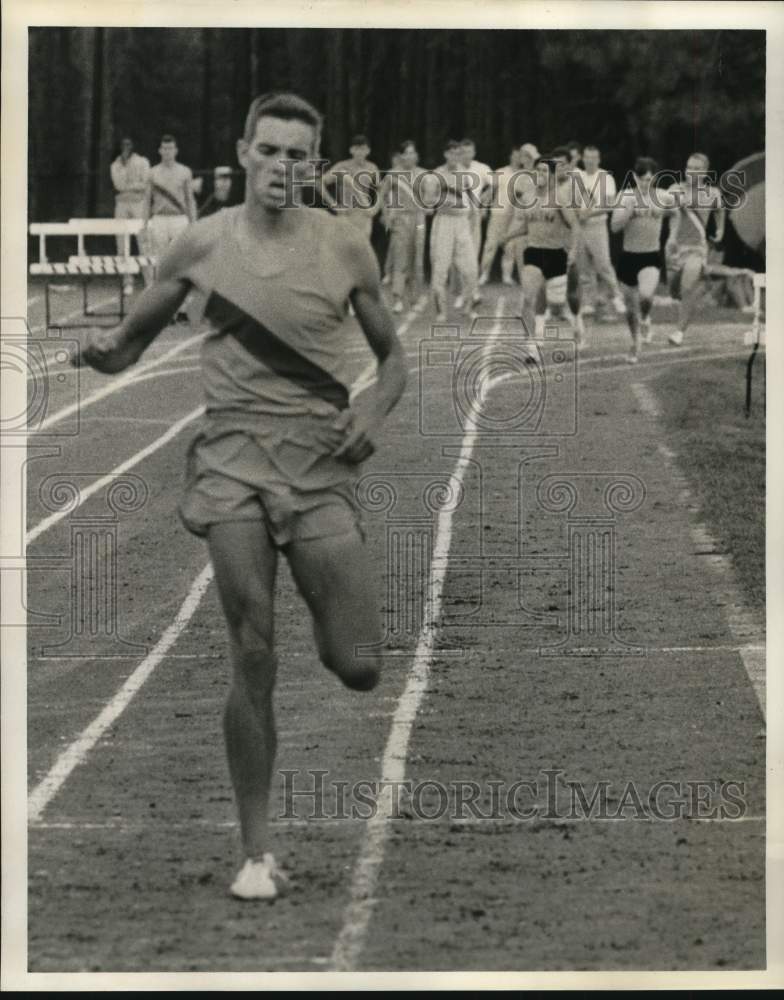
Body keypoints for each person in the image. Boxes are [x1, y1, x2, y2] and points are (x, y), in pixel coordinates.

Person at [73, 92, 407, 901]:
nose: (282, 166)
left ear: (314, 163)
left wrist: (370, 406)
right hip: (229, 470)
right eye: (270, 150)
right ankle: (255, 852)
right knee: (251, 648)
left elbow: (394, 360)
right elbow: (129, 344)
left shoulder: (345, 248)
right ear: (244, 152)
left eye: (299, 154)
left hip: (318, 468)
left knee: (357, 664)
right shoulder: (199, 245)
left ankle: (341, 649)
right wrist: (100, 354)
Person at [500, 151, 582, 340]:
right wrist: (507, 237)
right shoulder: (528, 198)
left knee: (555, 305)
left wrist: (574, 251)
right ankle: (531, 347)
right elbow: (525, 227)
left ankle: (570, 318)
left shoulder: (560, 197)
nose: (540, 175)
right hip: (534, 251)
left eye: (544, 172)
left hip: (556, 254)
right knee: (528, 299)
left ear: (552, 176)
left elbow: (575, 226)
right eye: (538, 171)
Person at [611, 157, 679, 362]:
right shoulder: (624, 197)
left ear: (655, 179)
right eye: (641, 179)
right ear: (634, 177)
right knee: (631, 309)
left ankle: (646, 317)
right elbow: (614, 227)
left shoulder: (663, 196)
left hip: (650, 255)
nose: (645, 183)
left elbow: (676, 213)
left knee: (646, 296)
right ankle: (635, 342)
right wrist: (628, 212)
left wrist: (672, 237)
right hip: (628, 257)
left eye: (649, 179)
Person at [665, 152, 725, 345]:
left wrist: (721, 229)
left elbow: (720, 209)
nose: (692, 172)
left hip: (697, 249)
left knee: (688, 286)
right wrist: (676, 204)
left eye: (697, 169)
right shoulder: (675, 189)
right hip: (675, 249)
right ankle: (688, 296)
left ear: (705, 172)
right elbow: (666, 212)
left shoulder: (712, 193)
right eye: (689, 167)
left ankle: (679, 332)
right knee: (674, 289)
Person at [423, 139, 481, 321]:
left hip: (462, 223)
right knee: (440, 269)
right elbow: (427, 204)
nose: (456, 157)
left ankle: (468, 307)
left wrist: (471, 223)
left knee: (471, 269)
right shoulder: (436, 175)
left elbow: (472, 204)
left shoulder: (466, 175)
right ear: (446, 154)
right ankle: (441, 311)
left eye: (459, 154)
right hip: (444, 223)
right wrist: (444, 202)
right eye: (452, 153)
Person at [574, 145, 626, 318]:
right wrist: (577, 215)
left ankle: (617, 296)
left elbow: (609, 204)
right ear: (583, 158)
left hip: (597, 225)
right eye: (587, 157)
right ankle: (589, 301)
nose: (590, 160)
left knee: (603, 263)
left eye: (593, 157)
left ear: (598, 159)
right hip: (579, 226)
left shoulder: (605, 177)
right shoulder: (577, 176)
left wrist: (589, 213)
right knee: (583, 265)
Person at [142, 134, 197, 294]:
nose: (167, 152)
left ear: (176, 150)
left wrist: (193, 223)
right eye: (164, 148)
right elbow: (147, 201)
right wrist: (144, 225)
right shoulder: (152, 173)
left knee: (181, 260)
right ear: (160, 151)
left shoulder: (185, 172)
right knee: (160, 261)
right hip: (159, 219)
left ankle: (182, 303)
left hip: (179, 219)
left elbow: (190, 200)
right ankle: (161, 299)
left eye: (170, 148)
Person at [379, 140, 426, 313]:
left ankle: (414, 298)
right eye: (406, 153)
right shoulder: (393, 174)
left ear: (417, 156)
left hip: (419, 219)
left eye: (413, 153)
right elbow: (382, 196)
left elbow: (430, 198)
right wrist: (386, 215)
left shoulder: (422, 174)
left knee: (417, 258)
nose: (410, 156)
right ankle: (398, 298)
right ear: (401, 156)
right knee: (400, 258)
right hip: (400, 218)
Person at [110, 137, 150, 294]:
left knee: (144, 242)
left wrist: (130, 187)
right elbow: (118, 185)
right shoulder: (115, 165)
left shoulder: (142, 162)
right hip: (121, 205)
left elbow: (145, 183)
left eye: (128, 145)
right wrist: (132, 186)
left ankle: (149, 281)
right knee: (121, 243)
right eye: (123, 145)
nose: (126, 148)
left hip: (139, 204)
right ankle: (127, 281)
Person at [479, 145, 523, 287]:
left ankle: (507, 276)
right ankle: (484, 275)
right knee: (491, 245)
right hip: (498, 213)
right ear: (511, 156)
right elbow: (490, 191)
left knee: (510, 247)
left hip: (515, 216)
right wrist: (483, 207)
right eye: (515, 155)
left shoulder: (525, 175)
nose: (517, 158)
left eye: (520, 155)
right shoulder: (500, 172)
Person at [322, 133, 381, 241]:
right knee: (343, 250)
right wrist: (334, 204)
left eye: (363, 149)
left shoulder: (372, 167)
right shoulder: (342, 166)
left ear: (368, 151)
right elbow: (320, 183)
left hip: (364, 216)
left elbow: (381, 190)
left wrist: (375, 209)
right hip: (346, 214)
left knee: (362, 252)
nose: (359, 152)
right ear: (351, 150)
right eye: (356, 149)